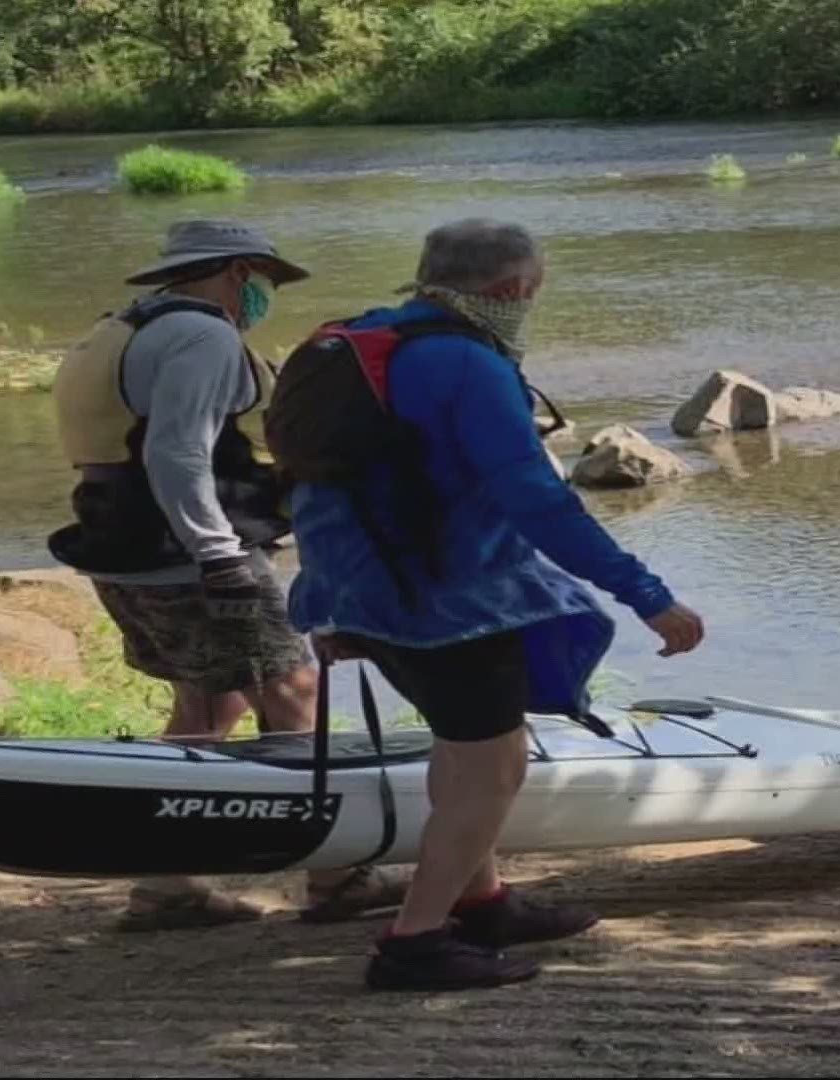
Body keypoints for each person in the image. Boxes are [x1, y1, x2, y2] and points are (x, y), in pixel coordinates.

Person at [275, 218, 706, 993]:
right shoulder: (466, 363)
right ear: (512, 290)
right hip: (450, 602)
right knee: (492, 769)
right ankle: (416, 940)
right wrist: (649, 595)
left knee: (463, 748)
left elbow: (319, 485)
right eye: (531, 292)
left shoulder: (357, 341)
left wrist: (335, 602)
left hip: (370, 590)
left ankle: (483, 901)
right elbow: (538, 502)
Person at [48, 220, 409, 930]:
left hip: (121, 543)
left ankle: (166, 884)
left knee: (210, 709)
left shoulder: (119, 327)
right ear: (240, 271)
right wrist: (217, 552)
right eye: (267, 281)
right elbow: (178, 453)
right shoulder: (203, 336)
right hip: (186, 552)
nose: (266, 296)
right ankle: (337, 876)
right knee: (293, 688)